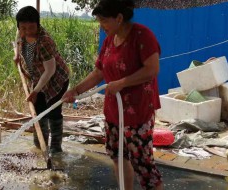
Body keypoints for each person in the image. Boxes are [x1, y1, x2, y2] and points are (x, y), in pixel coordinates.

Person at [62, 0, 163, 189]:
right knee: (118, 156)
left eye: (104, 21)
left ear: (119, 18)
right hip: (113, 111)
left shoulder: (142, 36)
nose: (101, 26)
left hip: (137, 111)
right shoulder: (110, 39)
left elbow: (152, 69)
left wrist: (122, 83)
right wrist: (76, 91)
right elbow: (99, 73)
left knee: (142, 163)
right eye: (99, 21)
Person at [14, 6, 70, 154]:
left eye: (31, 27)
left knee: (53, 111)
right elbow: (18, 37)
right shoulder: (21, 32)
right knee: (39, 112)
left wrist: (35, 91)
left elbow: (50, 70)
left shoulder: (44, 41)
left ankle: (56, 148)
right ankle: (40, 145)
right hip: (39, 77)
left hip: (56, 80)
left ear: (38, 25)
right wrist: (17, 55)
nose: (27, 31)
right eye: (23, 27)